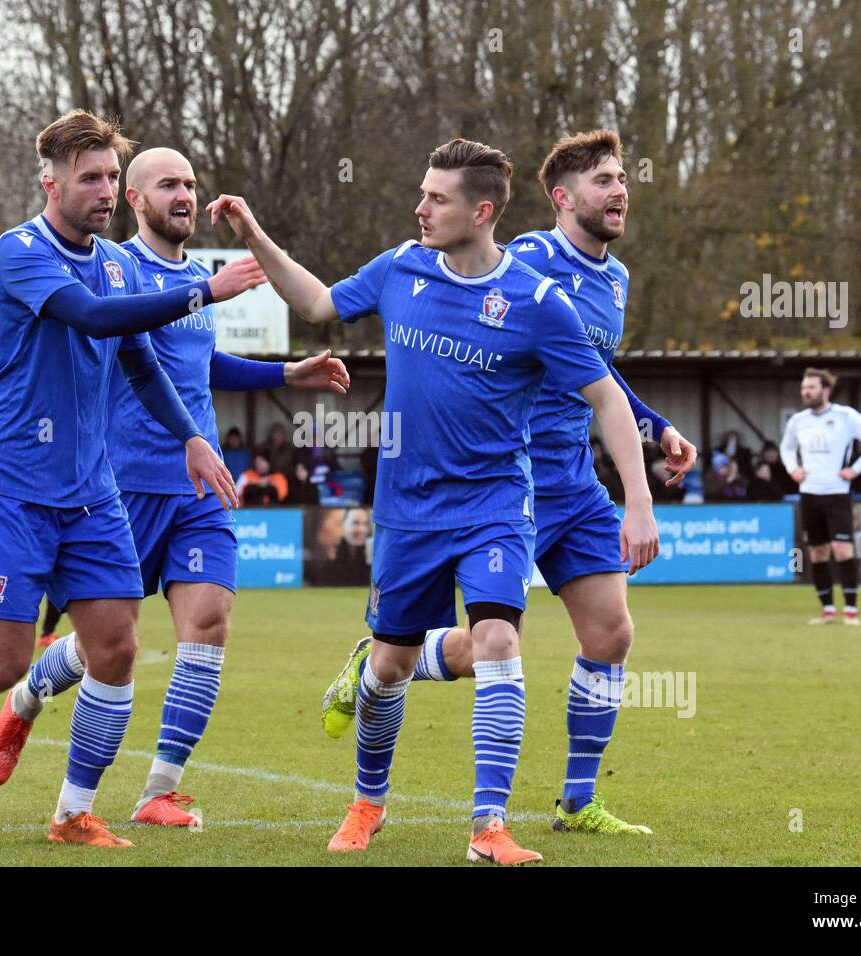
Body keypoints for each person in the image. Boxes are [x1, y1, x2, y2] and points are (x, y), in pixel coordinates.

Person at [210, 134, 662, 863]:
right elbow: (319, 303)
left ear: (480, 211)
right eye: (422, 193)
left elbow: (607, 396)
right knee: (389, 667)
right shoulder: (400, 269)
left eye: (436, 198)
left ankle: (490, 827)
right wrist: (258, 236)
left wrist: (636, 500)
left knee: (498, 643)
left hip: (495, 503)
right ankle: (366, 802)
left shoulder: (536, 301)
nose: (420, 207)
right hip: (407, 509)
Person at [0, 110, 265, 849]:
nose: (106, 189)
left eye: (113, 176)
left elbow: (140, 361)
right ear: (50, 183)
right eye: (91, 178)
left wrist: (194, 440)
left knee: (113, 646)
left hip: (92, 491)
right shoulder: (18, 254)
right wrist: (204, 290)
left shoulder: (115, 261)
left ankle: (73, 812)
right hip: (11, 484)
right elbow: (88, 317)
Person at [312, 129, 697, 845]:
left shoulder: (615, 280)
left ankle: (577, 800)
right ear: (562, 198)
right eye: (603, 181)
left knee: (611, 632)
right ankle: (382, 666)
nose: (619, 191)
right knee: (482, 644)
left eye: (621, 179)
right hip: (505, 482)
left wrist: (654, 425)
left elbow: (595, 375)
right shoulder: (525, 261)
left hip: (574, 482)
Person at [0, 145, 347, 829]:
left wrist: (287, 374)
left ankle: (158, 790)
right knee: (100, 649)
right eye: (166, 185)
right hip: (125, 485)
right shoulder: (114, 274)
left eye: (190, 184)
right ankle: (25, 698)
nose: (183, 196)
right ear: (137, 201)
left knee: (207, 625)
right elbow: (112, 334)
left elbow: (201, 364)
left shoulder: (196, 276)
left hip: (197, 488)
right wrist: (206, 291)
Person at [780, 367, 861, 626]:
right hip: (809, 493)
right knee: (817, 553)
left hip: (837, 493)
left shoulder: (845, 416)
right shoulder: (798, 421)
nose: (806, 392)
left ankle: (851, 610)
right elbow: (787, 448)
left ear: (825, 390)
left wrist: (855, 470)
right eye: (804, 388)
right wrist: (793, 469)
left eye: (812, 387)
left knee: (842, 549)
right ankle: (827, 609)